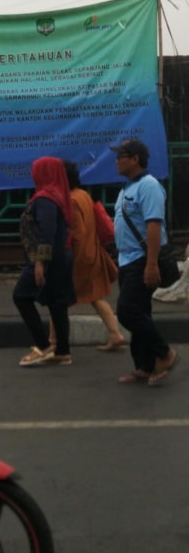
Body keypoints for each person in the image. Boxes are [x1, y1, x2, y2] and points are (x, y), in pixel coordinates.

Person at [111, 138, 180, 386]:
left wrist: (151, 265)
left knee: (128, 312)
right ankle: (144, 366)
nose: (116, 160)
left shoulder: (148, 186)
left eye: (121, 155)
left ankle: (165, 353)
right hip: (127, 260)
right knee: (140, 311)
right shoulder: (127, 188)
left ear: (135, 159)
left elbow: (153, 225)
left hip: (142, 260)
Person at [48, 161, 124, 351]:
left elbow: (78, 236)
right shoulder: (83, 195)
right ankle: (115, 334)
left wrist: (73, 262)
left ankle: (52, 342)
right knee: (95, 297)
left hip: (80, 258)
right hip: (93, 253)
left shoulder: (71, 201)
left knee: (57, 300)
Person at [13, 156, 75, 366]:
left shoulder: (45, 198)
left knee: (21, 296)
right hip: (60, 257)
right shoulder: (57, 195)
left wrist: (40, 263)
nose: (33, 175)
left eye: (36, 170)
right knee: (57, 303)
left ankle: (44, 345)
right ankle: (62, 352)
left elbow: (46, 232)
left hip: (46, 259)